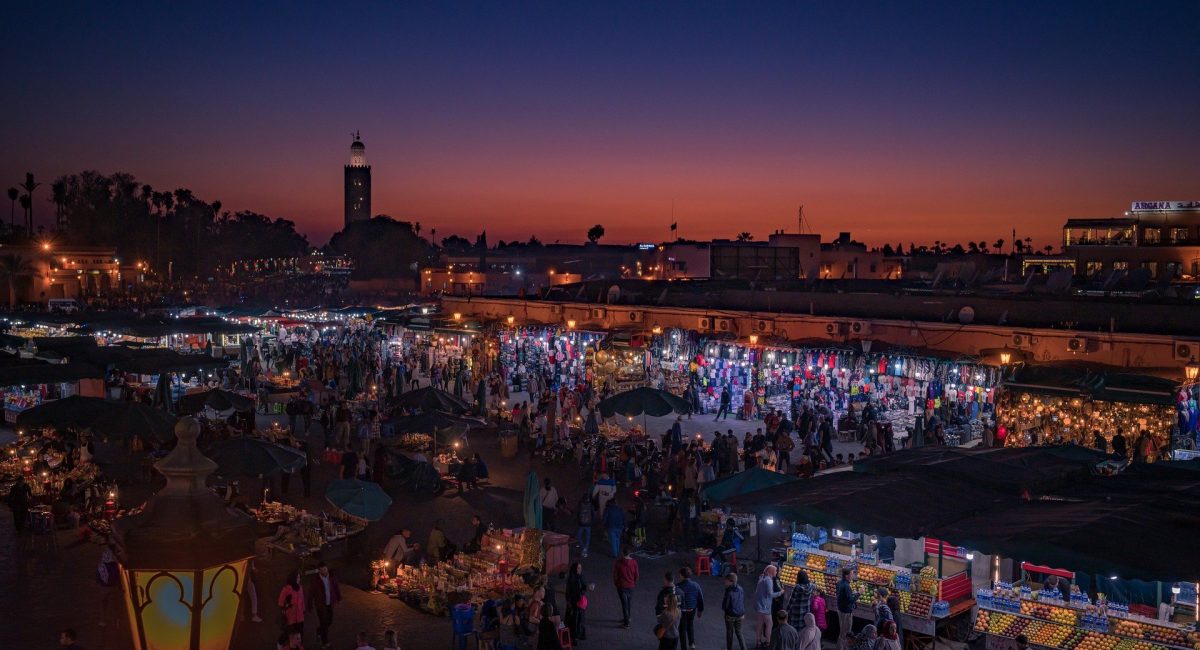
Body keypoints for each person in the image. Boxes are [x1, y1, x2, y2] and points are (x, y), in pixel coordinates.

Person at [307, 561, 342, 649]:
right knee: (324, 623)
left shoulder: (332, 577)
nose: (324, 571)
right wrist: (309, 605)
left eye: (325, 569)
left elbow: (336, 587)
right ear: (319, 571)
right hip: (320, 605)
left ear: (327, 568)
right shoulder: (315, 580)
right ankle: (325, 642)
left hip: (330, 603)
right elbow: (311, 593)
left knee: (329, 621)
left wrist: (339, 597)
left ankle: (319, 631)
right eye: (322, 570)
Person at [755, 565, 785, 646]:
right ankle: (768, 642)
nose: (776, 572)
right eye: (775, 571)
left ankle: (758, 641)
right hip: (765, 607)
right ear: (771, 571)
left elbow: (757, 592)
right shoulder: (769, 580)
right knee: (769, 624)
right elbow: (770, 594)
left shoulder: (762, 578)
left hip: (759, 605)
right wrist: (781, 592)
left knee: (760, 623)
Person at [677, 566, 705, 649]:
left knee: (682, 629)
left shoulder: (678, 586)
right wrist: (700, 610)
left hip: (682, 611)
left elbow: (677, 601)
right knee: (690, 625)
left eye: (679, 575)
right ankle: (692, 643)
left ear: (682, 576)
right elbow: (700, 598)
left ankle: (684, 647)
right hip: (692, 609)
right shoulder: (696, 585)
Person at [613, 547, 639, 628]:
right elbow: (637, 575)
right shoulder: (634, 562)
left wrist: (617, 584)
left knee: (624, 604)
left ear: (622, 553)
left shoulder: (618, 563)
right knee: (628, 602)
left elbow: (615, 575)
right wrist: (633, 582)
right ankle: (628, 617)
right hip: (631, 586)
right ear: (630, 553)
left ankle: (626, 623)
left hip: (621, 586)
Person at [565, 561, 590, 642]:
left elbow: (583, 587)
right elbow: (568, 592)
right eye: (578, 568)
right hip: (573, 602)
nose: (580, 569)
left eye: (580, 568)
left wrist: (587, 588)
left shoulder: (580, 577)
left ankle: (578, 635)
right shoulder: (571, 579)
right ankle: (573, 637)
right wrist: (569, 602)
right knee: (573, 620)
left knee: (580, 619)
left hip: (579, 602)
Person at [722, 573, 747, 650]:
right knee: (739, 632)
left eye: (726, 580)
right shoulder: (740, 589)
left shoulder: (728, 591)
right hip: (740, 614)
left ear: (731, 581)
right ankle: (744, 648)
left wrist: (725, 609)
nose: (724, 582)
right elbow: (741, 601)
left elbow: (725, 605)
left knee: (729, 632)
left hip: (730, 615)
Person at [836, 568, 858, 647]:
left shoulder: (839, 583)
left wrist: (852, 593)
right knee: (845, 633)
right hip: (846, 612)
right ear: (846, 576)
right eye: (851, 574)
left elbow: (843, 596)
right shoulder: (846, 586)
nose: (853, 576)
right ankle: (841, 648)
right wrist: (859, 593)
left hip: (840, 609)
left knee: (843, 632)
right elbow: (850, 600)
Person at [575, 492, 594, 558]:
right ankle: (585, 551)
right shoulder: (591, 505)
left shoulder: (580, 504)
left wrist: (577, 520)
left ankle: (583, 548)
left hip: (581, 524)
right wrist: (592, 521)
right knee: (587, 538)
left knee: (578, 536)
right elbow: (593, 514)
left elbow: (577, 513)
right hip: (588, 524)